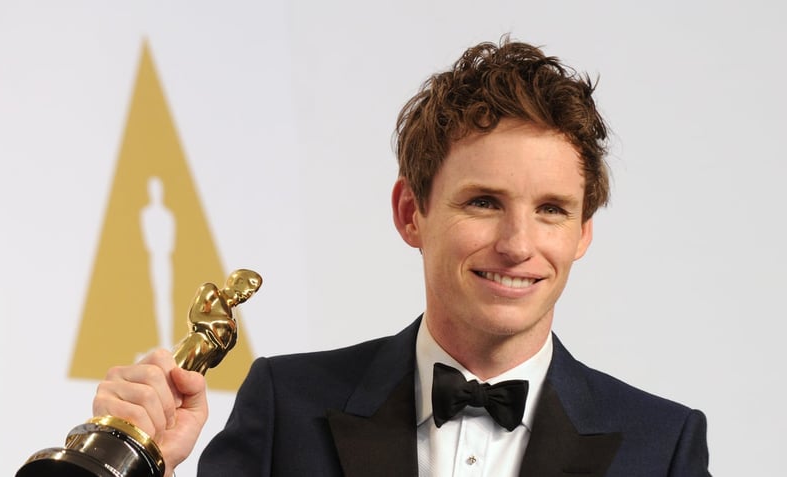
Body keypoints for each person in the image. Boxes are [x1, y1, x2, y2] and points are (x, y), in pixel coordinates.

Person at [93, 37, 711, 476]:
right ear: (410, 214)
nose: (518, 244)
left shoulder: (661, 447)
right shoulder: (289, 406)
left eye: (552, 209)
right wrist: (149, 465)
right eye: (485, 202)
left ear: (582, 234)